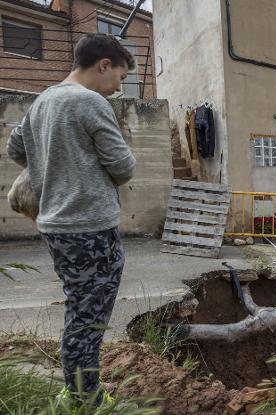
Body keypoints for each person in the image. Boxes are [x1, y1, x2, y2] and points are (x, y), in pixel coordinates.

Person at [6, 33, 136, 405]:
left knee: (79, 306)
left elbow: (16, 149)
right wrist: (78, 173)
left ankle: (78, 388)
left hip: (55, 226)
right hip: (90, 226)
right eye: (121, 77)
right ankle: (85, 398)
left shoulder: (42, 101)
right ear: (104, 65)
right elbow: (123, 168)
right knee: (89, 317)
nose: (118, 87)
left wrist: (55, 169)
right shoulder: (89, 102)